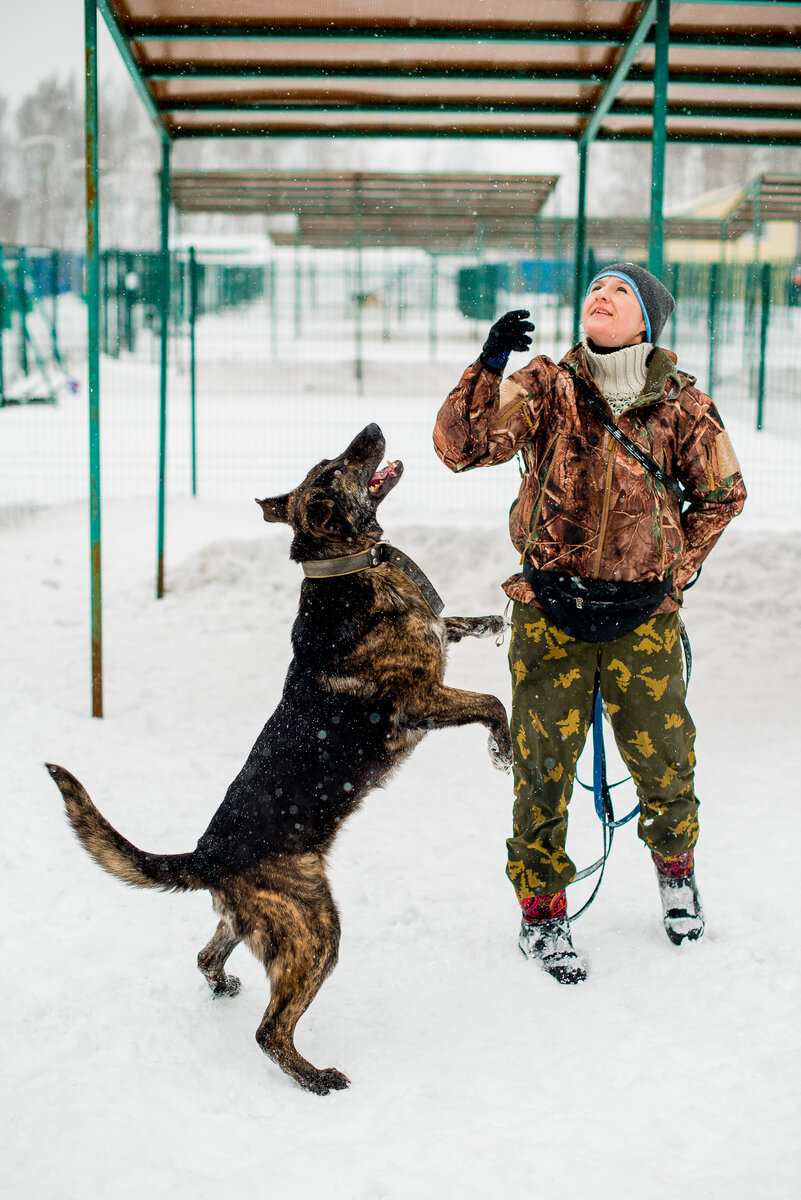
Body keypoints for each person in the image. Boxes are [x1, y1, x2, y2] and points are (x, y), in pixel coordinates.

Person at [433, 263, 746, 985]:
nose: (599, 297)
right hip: (550, 612)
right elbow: (460, 447)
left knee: (665, 759)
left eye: (620, 292)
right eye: (595, 288)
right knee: (542, 769)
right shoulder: (545, 387)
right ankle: (541, 912)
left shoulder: (682, 406)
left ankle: (676, 873)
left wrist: (674, 570)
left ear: (647, 320)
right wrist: (486, 368)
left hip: (644, 620)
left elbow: (722, 495)